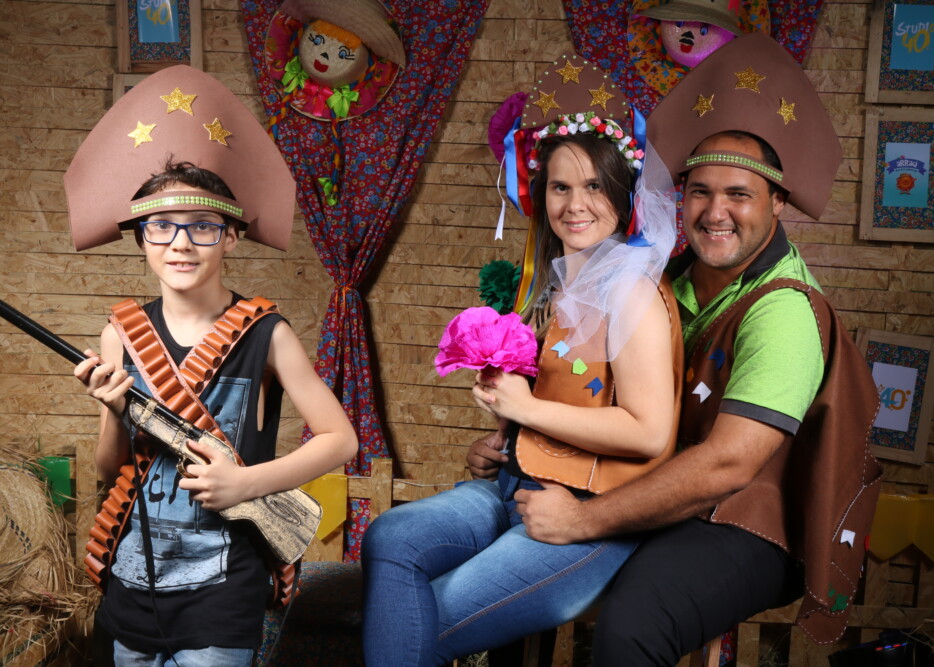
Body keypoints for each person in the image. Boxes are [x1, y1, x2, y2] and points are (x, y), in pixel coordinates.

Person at [511, 32, 883, 665]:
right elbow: (600, 394)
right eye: (701, 191)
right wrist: (514, 439)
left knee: (637, 619)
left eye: (739, 194)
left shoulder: (786, 311)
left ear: (778, 202)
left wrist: (582, 521)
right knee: (521, 570)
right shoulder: (665, 280)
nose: (715, 211)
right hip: (660, 489)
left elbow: (728, 466)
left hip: (749, 520)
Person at [361, 55, 684, 666]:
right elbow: (572, 397)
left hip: (589, 509)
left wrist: (527, 409)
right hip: (514, 485)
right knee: (390, 536)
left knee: (422, 619)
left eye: (594, 186)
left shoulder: (632, 290)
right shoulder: (560, 284)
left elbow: (649, 432)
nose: (575, 204)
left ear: (623, 194)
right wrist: (506, 438)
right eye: (561, 187)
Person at [63, 66, 359, 665]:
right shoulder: (120, 333)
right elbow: (110, 468)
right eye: (161, 226)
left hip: (225, 586)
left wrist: (246, 484)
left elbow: (341, 439)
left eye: (202, 227)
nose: (180, 243)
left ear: (231, 237)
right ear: (141, 238)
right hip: (132, 577)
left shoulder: (268, 333)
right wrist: (113, 410)